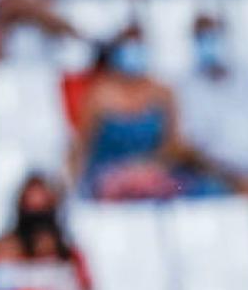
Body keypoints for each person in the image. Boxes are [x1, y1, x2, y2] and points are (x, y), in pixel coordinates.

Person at [71, 27, 205, 201]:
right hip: (107, 176)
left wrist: (147, 167)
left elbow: (173, 144)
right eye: (129, 47)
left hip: (152, 171)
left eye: (139, 46)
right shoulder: (98, 95)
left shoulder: (163, 92)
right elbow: (82, 146)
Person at [173, 13, 248, 195]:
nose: (208, 43)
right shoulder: (185, 87)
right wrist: (233, 179)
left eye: (212, 36)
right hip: (217, 179)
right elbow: (186, 150)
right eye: (201, 38)